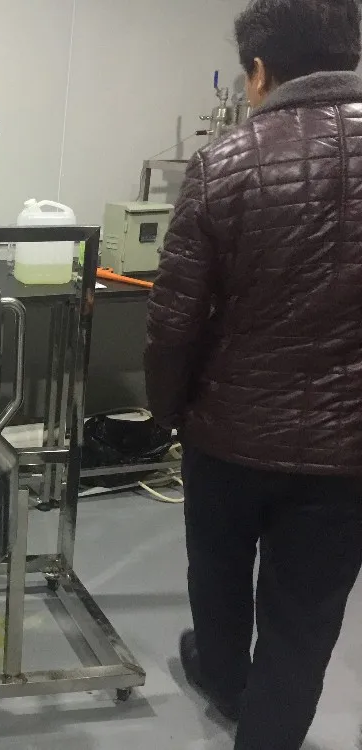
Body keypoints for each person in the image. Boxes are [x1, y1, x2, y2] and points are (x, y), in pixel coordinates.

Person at [145, 1, 362, 748]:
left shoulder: (227, 162)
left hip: (228, 437)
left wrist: (167, 410)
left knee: (219, 575)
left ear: (260, 71)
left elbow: (174, 320)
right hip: (347, 455)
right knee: (304, 623)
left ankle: (223, 677)